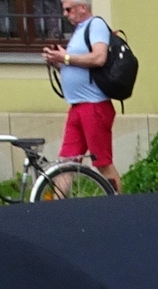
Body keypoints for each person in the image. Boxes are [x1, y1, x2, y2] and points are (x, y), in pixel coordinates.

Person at [43, 0, 121, 189]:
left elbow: (99, 58)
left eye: (68, 9)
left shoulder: (96, 25)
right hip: (78, 106)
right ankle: (57, 211)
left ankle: (119, 205)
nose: (65, 14)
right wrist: (59, 62)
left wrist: (66, 58)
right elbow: (78, 66)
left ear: (83, 7)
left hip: (94, 105)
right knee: (65, 163)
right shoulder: (79, 30)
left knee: (102, 162)